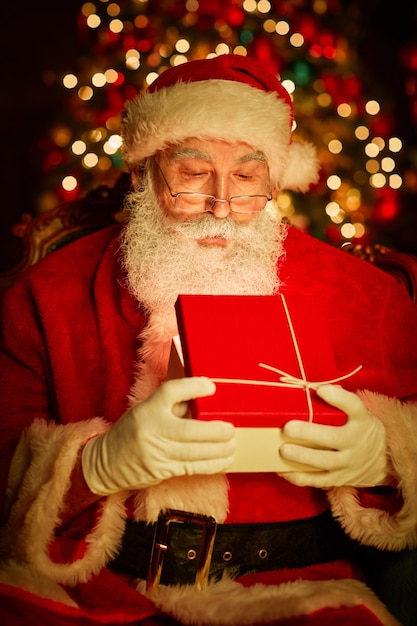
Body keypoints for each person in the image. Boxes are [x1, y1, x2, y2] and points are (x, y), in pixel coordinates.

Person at [0, 54, 417, 626]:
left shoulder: (365, 294)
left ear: (274, 178)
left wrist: (392, 456)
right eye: (193, 174)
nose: (221, 206)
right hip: (96, 591)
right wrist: (92, 467)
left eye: (247, 178)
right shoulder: (47, 295)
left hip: (298, 591)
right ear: (147, 170)